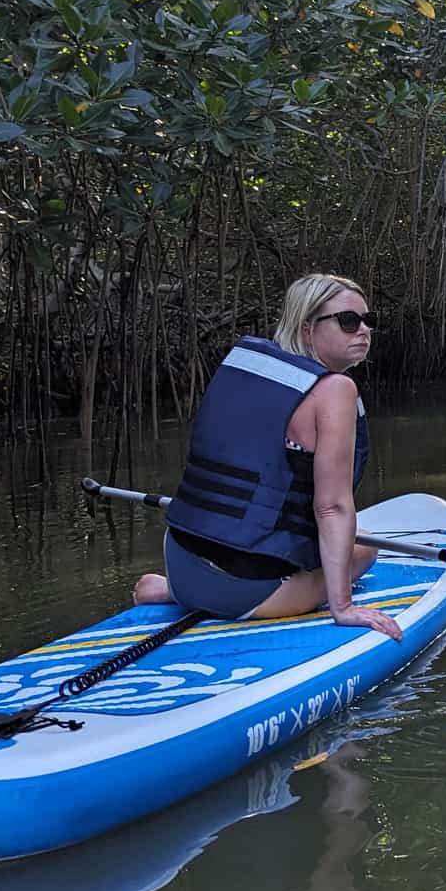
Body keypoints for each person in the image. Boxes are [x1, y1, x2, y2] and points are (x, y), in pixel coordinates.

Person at [133, 273, 403, 639]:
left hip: (180, 560)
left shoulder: (248, 370)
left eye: (369, 321)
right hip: (248, 591)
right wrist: (343, 607)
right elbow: (332, 508)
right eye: (348, 321)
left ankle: (173, 590)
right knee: (366, 547)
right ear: (308, 327)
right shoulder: (336, 390)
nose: (363, 331)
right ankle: (214, 596)